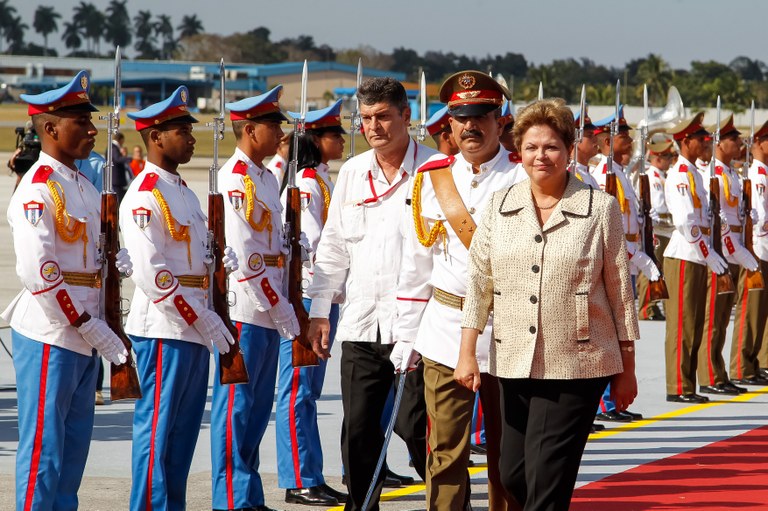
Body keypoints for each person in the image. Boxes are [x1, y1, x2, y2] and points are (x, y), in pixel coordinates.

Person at [455, 98, 639, 511]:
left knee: (548, 478)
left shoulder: (598, 208)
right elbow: (480, 284)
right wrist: (467, 352)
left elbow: (619, 293)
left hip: (578, 360)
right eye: (533, 147)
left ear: (570, 151)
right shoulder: (500, 207)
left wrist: (626, 368)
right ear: (518, 152)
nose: (542, 156)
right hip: (513, 359)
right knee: (512, 474)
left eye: (552, 146)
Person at [394, 70, 526, 511]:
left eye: (481, 115)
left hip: (509, 330)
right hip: (446, 330)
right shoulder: (431, 180)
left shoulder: (524, 179)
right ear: (448, 124)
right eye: (460, 117)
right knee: (445, 451)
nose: (471, 126)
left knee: (509, 454)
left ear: (500, 120)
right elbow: (417, 266)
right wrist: (406, 336)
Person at [307, 77, 438, 511]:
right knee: (359, 430)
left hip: (419, 328)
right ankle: (361, 507)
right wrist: (320, 311)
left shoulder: (435, 171)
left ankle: (450, 504)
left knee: (419, 428)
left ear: (406, 116)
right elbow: (334, 245)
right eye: (365, 119)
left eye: (383, 116)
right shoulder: (352, 172)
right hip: (364, 322)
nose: (374, 127)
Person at [1, 70, 130, 510]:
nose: (93, 129)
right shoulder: (38, 190)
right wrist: (83, 323)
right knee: (45, 452)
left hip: (85, 333)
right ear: (51, 128)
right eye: (82, 121)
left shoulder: (82, 186)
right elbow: (42, 272)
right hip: (52, 333)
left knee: (73, 454)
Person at [120, 86, 237, 510]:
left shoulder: (183, 191)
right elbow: (152, 272)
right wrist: (197, 316)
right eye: (181, 131)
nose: (191, 138)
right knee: (158, 431)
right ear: (155, 137)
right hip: (165, 328)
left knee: (183, 435)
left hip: (193, 326)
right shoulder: (145, 193)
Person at [212, 86, 301, 511]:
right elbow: (246, 253)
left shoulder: (265, 177)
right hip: (248, 307)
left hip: (269, 307)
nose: (280, 133)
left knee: (258, 408)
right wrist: (276, 302)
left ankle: (247, 496)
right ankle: (232, 498)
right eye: (273, 126)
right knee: (237, 411)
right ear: (250, 130)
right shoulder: (236, 180)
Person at [275, 99, 349, 506]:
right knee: (298, 388)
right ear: (315, 140)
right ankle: (299, 476)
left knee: (310, 388)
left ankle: (310, 472)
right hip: (308, 294)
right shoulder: (305, 182)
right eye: (333, 133)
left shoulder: (320, 179)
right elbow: (317, 243)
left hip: (322, 293)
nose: (340, 139)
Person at [590, 107, 657, 422]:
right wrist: (636, 254)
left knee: (623, 334)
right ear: (605, 142)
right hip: (617, 259)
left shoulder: (621, 173)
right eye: (623, 137)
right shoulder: (604, 174)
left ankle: (614, 400)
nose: (629, 142)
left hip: (628, 259)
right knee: (610, 333)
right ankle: (605, 402)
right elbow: (608, 226)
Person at [663, 112, 730, 403]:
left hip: (697, 255)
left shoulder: (695, 175)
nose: (707, 142)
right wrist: (708, 252)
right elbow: (685, 222)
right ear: (685, 141)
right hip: (685, 255)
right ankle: (679, 386)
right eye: (701, 138)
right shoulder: (679, 174)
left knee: (695, 323)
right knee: (682, 324)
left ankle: (688, 384)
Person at [698, 115, 756, 395]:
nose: (740, 143)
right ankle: (710, 375)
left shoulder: (732, 173)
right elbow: (718, 218)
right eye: (734, 139)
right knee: (713, 317)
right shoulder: (714, 174)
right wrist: (733, 249)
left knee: (723, 317)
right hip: (723, 248)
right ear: (720, 143)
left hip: (735, 246)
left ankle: (719, 372)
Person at [730, 120, 768, 385]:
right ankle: (742, 366)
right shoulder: (756, 175)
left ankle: (755, 362)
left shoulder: (764, 174)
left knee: (760, 311)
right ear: (760, 143)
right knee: (750, 311)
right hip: (757, 247)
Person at [636, 135, 676, 321]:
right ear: (658, 158)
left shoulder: (661, 176)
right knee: (651, 267)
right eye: (667, 157)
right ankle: (646, 308)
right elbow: (658, 206)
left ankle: (654, 305)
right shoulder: (652, 177)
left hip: (666, 229)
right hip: (657, 229)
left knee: (662, 270)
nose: (670, 161)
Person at [570, 107, 599, 188]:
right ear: (575, 139)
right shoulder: (572, 174)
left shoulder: (587, 175)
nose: (595, 138)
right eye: (590, 135)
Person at [109, 131, 133, 201]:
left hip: (117, 180)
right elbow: (117, 159)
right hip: (116, 179)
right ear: (121, 139)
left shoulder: (112, 147)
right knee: (119, 200)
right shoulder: (114, 147)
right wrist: (130, 158)